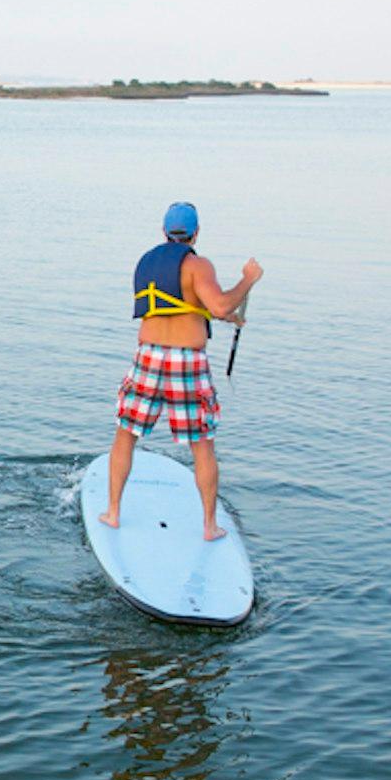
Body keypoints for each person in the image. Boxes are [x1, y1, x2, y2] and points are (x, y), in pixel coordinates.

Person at [98, 202, 262, 541]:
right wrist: (248, 280)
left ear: (163, 232)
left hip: (147, 355)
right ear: (196, 233)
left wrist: (229, 317)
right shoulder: (198, 264)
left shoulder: (146, 261)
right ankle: (209, 527)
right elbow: (216, 305)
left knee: (125, 435)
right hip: (185, 361)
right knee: (202, 444)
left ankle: (113, 513)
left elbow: (178, 305)